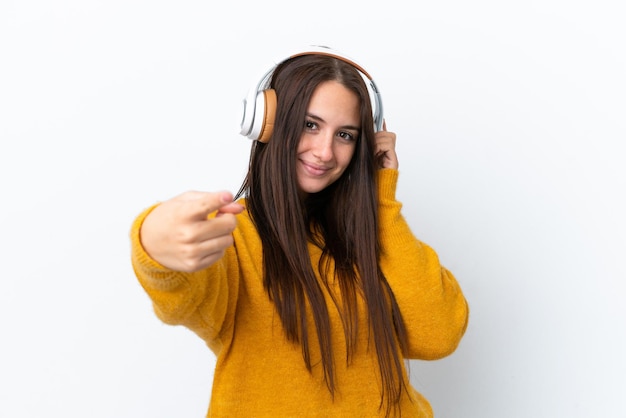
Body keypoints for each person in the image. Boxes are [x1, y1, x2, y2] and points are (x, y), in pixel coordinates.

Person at [130, 46, 469, 418]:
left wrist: (382, 197)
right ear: (267, 123)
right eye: (310, 125)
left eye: (345, 135)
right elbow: (177, 291)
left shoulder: (370, 240)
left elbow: (439, 334)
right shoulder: (234, 237)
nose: (325, 151)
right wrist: (152, 239)